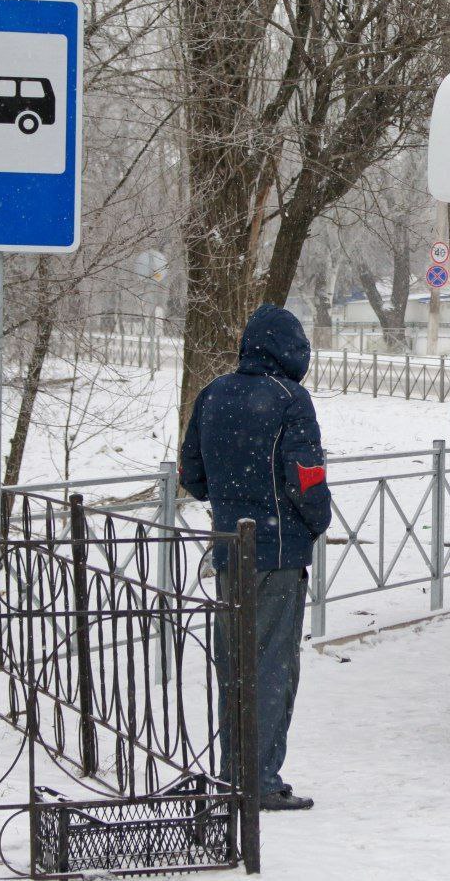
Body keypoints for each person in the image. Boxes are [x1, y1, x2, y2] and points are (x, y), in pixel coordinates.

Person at [180, 304, 331, 812]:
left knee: (234, 666)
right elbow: (307, 475)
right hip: (279, 551)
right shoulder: (292, 399)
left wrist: (231, 499)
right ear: (291, 351)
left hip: (229, 552)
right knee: (272, 666)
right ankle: (260, 781)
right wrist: (316, 521)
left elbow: (193, 475)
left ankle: (233, 772)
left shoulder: (213, 394)